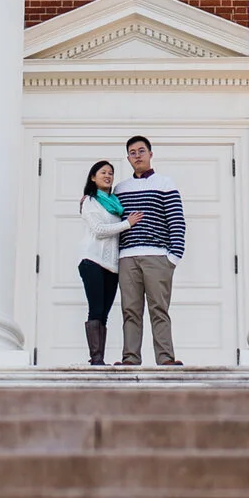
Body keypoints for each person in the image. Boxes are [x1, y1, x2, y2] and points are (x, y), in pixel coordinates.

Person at [113, 135, 186, 366]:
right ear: (128, 158)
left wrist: (173, 257)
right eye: (132, 152)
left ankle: (165, 358)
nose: (137, 156)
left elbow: (176, 220)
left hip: (157, 256)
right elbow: (109, 216)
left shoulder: (165, 183)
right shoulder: (120, 188)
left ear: (150, 154)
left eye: (141, 151)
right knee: (130, 311)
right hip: (127, 257)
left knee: (159, 309)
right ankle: (130, 359)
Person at [74, 161, 143, 367]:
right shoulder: (90, 201)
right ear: (93, 178)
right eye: (103, 172)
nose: (108, 176)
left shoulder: (115, 203)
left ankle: (98, 358)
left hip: (112, 266)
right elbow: (98, 229)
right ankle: (96, 359)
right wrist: (127, 224)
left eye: (111, 173)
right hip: (92, 260)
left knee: (104, 312)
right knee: (95, 309)